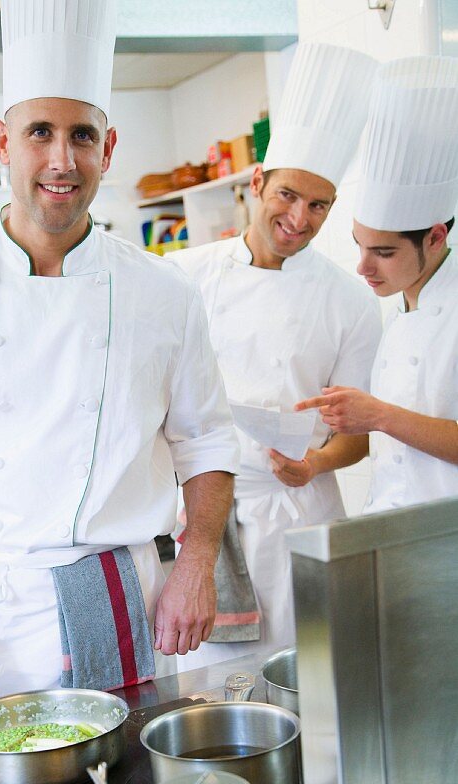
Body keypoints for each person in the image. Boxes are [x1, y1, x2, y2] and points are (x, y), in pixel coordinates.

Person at [0, 0, 239, 734]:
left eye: (82, 136)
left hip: (125, 600)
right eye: (40, 132)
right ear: (4, 140)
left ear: (109, 148)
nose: (61, 160)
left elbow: (206, 443)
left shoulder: (164, 293)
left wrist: (195, 565)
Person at [168, 43, 382, 667]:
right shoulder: (184, 278)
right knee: (212, 695)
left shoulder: (350, 300)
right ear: (256, 182)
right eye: (287, 195)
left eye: (319, 205)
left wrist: (313, 464)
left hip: (302, 515)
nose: (299, 217)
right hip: (207, 523)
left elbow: (359, 434)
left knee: (309, 682)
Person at [296, 56, 458, 514]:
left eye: (383, 253)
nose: (363, 267)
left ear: (435, 236)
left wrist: (380, 416)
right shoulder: (399, 309)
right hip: (399, 530)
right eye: (358, 246)